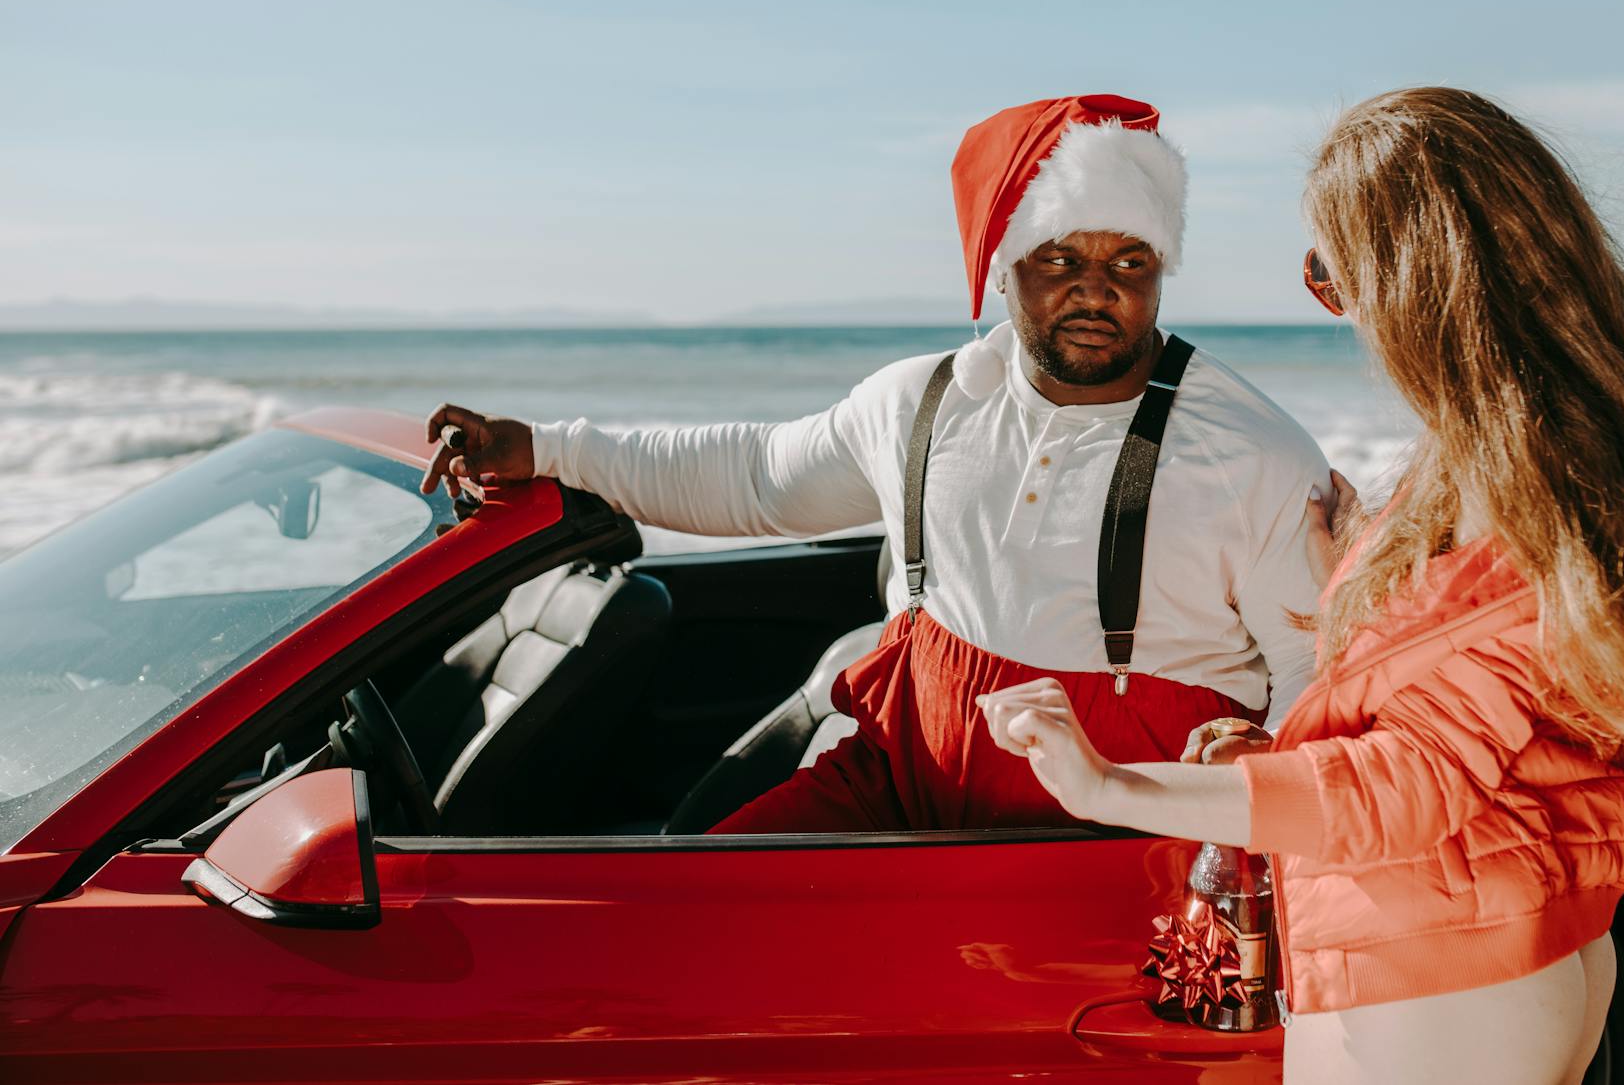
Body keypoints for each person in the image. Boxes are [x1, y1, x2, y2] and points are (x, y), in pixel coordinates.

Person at [978, 87, 1624, 1084]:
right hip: (1523, 948)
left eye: (1329, 271)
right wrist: (1364, 585)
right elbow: (1488, 693)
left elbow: (1402, 789)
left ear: (1409, 279)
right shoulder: (1544, 453)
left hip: (1440, 988)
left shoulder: (1514, 497)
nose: (1336, 307)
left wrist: (1106, 783)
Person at [423, 93, 1330, 834]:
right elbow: (755, 479)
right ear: (1006, 262)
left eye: (1131, 260)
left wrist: (1266, 764)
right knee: (694, 911)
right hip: (896, 786)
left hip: (1113, 846)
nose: (1098, 287)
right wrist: (546, 448)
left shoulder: (1255, 452)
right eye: (1060, 257)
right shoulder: (925, 400)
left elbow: (1319, 670)